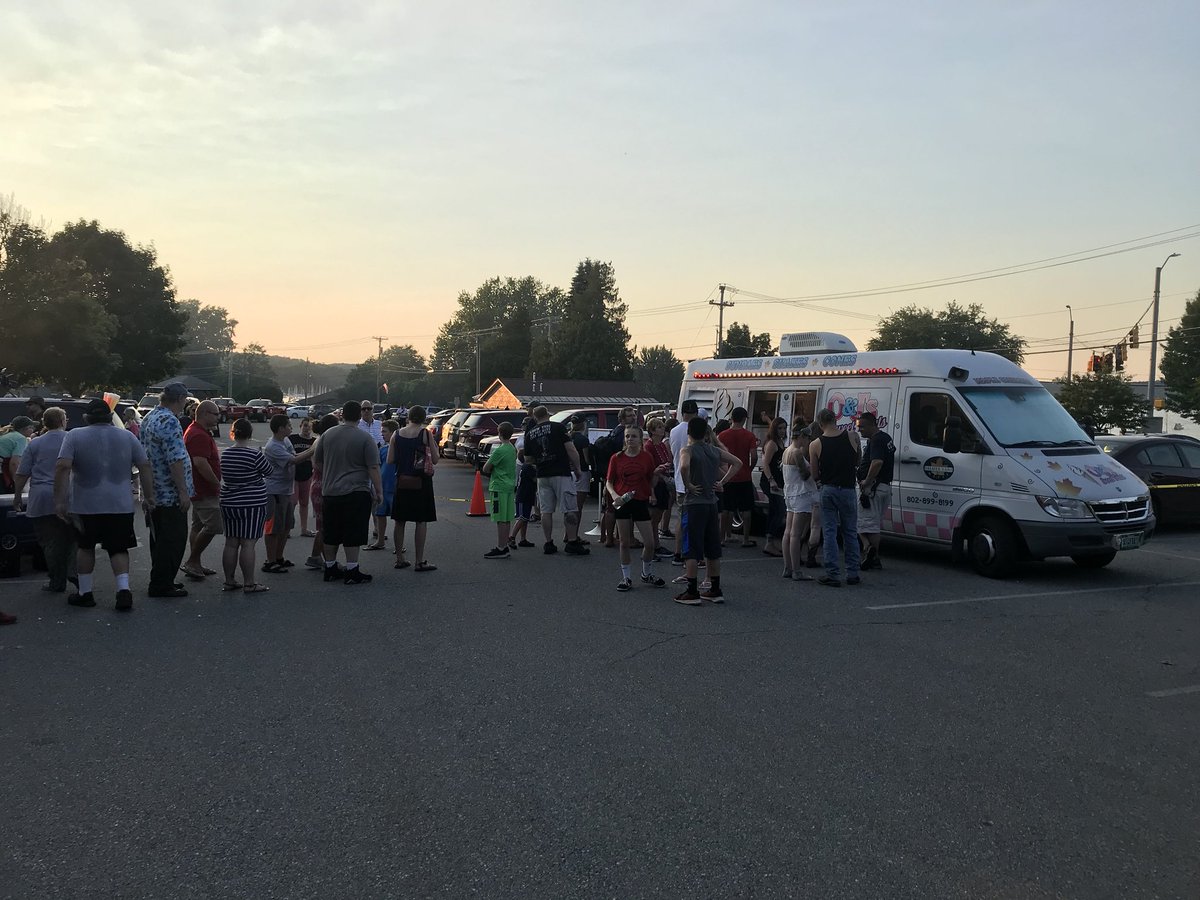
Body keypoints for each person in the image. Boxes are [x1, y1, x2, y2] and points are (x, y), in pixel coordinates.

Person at [54, 397, 154, 611]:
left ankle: (85, 592)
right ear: (110, 416)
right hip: (119, 502)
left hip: (85, 503)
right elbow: (144, 466)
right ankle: (123, 590)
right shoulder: (127, 436)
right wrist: (147, 497)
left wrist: (60, 501)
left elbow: (63, 467)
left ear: (85, 417)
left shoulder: (75, 436)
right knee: (118, 548)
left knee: (86, 546)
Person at [675, 416, 742, 605]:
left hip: (694, 504)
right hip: (711, 503)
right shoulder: (713, 450)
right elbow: (737, 463)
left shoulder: (687, 449)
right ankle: (715, 589)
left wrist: (688, 483)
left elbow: (684, 465)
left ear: (689, 433)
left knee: (691, 549)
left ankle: (691, 591)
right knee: (712, 548)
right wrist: (722, 482)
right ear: (706, 433)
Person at [315, 402, 383, 584]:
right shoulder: (365, 438)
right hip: (356, 490)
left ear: (342, 415)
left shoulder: (327, 435)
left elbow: (317, 462)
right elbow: (373, 467)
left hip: (330, 491)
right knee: (353, 531)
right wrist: (379, 491)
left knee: (331, 531)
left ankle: (330, 567)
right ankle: (352, 569)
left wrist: (331, 472)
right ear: (359, 416)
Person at [13, 407, 77, 593]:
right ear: (63, 421)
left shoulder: (34, 443)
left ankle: (56, 580)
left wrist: (17, 496)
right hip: (69, 494)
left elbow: (22, 472)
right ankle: (72, 570)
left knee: (49, 541)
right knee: (72, 537)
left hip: (41, 496)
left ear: (44, 422)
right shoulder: (72, 440)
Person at [140, 381, 193, 598]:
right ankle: (162, 584)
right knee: (173, 539)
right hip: (169, 492)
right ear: (180, 400)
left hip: (154, 489)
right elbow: (175, 459)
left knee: (159, 539)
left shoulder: (149, 417)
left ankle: (162, 578)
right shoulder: (170, 421)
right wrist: (183, 491)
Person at [605, 424, 667, 591]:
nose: (630, 439)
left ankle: (646, 573)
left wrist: (655, 477)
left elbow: (650, 480)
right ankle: (626, 578)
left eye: (633, 436)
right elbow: (609, 482)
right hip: (623, 501)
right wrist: (615, 496)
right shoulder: (616, 458)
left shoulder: (646, 457)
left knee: (650, 542)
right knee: (624, 542)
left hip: (640, 500)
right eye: (627, 436)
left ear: (641, 439)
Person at [218, 418, 274, 593]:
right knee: (248, 543)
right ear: (250, 434)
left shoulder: (225, 454)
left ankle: (229, 581)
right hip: (252, 503)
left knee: (231, 543)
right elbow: (269, 471)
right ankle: (249, 583)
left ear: (232, 433)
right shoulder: (254, 455)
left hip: (229, 502)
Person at [523, 405, 587, 555]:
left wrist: (540, 460)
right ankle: (572, 542)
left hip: (542, 475)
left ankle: (548, 542)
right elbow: (571, 449)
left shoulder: (529, 434)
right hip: (561, 473)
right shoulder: (558, 428)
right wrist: (577, 469)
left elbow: (528, 459)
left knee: (546, 511)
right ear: (548, 414)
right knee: (570, 508)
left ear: (534, 417)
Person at [810, 408, 862, 587]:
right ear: (835, 419)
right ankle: (853, 572)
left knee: (830, 532)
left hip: (828, 488)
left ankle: (833, 573)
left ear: (820, 423)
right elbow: (858, 461)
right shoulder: (852, 436)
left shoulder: (816, 444)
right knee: (850, 532)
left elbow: (815, 473)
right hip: (848, 489)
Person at [262, 414, 317, 574]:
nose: (291, 428)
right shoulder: (273, 446)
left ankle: (279, 557)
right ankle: (270, 561)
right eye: (288, 426)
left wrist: (310, 450)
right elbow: (293, 460)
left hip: (286, 489)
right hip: (274, 491)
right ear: (280, 428)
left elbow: (295, 456)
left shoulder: (285, 441)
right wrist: (314, 448)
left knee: (286, 526)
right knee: (273, 528)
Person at [389, 405, 438, 571]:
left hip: (402, 480)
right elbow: (436, 459)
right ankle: (419, 561)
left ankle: (399, 558)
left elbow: (390, 459)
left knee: (399, 521)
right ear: (424, 418)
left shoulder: (396, 434)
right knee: (421, 520)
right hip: (421, 482)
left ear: (408, 417)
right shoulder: (425, 434)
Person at [181, 400, 223, 581]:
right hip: (204, 489)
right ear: (205, 413)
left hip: (199, 488)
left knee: (198, 525)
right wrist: (216, 483)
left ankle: (196, 563)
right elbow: (200, 462)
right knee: (214, 525)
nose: (218, 417)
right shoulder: (198, 434)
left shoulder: (198, 431)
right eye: (215, 414)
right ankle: (192, 561)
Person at [856, 411, 895, 571]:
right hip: (883, 487)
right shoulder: (885, 438)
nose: (860, 430)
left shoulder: (877, 440)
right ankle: (873, 556)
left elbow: (877, 462)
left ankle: (869, 551)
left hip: (873, 488)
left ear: (873, 424)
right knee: (872, 523)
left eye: (863, 427)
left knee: (866, 524)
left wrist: (867, 481)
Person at [717, 407, 758, 548]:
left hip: (728, 476)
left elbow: (718, 456)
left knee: (726, 509)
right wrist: (749, 468)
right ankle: (746, 539)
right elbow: (754, 456)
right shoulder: (749, 436)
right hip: (744, 476)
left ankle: (722, 538)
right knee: (746, 509)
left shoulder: (722, 435)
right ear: (744, 418)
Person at [304, 414, 340, 569]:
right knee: (326, 526)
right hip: (322, 485)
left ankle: (315, 556)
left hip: (319, 483)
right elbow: (319, 465)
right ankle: (328, 561)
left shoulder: (320, 440)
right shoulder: (323, 442)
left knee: (323, 525)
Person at [780, 422, 815, 582]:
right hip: (801, 494)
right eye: (807, 437)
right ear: (801, 436)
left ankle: (787, 567)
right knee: (796, 534)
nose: (808, 441)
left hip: (789, 493)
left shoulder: (786, 450)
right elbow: (805, 475)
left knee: (788, 532)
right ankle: (796, 570)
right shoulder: (797, 453)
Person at [668, 400, 699, 564]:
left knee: (681, 518)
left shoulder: (673, 431)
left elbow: (671, 452)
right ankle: (691, 553)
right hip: (694, 481)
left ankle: (678, 552)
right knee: (695, 521)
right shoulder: (695, 430)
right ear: (695, 413)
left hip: (679, 480)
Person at [482, 421, 518, 559]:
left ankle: (501, 547)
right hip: (509, 486)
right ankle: (504, 544)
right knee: (507, 518)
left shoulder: (499, 450)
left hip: (498, 486)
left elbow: (486, 468)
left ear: (500, 433)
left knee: (500, 519)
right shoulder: (511, 448)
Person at [643, 417, 674, 559]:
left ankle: (656, 545)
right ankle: (651, 546)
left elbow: (667, 460)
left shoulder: (661, 445)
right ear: (652, 431)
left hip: (663, 481)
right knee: (652, 517)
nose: (662, 430)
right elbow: (649, 468)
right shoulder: (648, 446)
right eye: (659, 427)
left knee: (659, 515)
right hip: (654, 483)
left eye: (662, 427)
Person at [366, 418, 399, 552]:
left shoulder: (399, 449)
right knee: (380, 514)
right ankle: (380, 540)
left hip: (395, 487)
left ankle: (398, 544)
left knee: (398, 518)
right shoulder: (383, 449)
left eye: (385, 432)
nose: (382, 434)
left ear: (393, 433)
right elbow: (377, 467)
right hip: (382, 487)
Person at [760, 416, 788, 558]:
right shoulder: (771, 444)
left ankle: (770, 541)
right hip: (769, 481)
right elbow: (765, 464)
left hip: (778, 481)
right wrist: (771, 480)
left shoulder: (781, 443)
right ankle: (769, 542)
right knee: (780, 510)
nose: (782, 431)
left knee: (775, 510)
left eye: (784, 428)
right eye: (780, 428)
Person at [290, 417, 317, 537]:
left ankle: (304, 529)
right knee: (293, 502)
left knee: (305, 503)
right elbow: (290, 455)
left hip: (307, 475)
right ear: (301, 426)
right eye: (305, 425)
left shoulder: (314, 441)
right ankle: (287, 528)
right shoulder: (292, 438)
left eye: (309, 426)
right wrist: (305, 456)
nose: (307, 428)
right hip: (293, 475)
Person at [568, 416, 592, 541]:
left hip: (568, 472)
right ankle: (574, 535)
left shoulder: (568, 437)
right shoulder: (583, 440)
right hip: (581, 472)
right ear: (583, 424)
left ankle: (567, 534)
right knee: (578, 507)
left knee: (570, 506)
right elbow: (586, 459)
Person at [1, 415, 37, 492]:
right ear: (25, 428)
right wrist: (18, 485)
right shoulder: (20, 438)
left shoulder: (6, 435)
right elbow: (14, 463)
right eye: (32, 427)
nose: (33, 430)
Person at [512, 456, 537, 549]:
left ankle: (523, 539)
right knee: (522, 518)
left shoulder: (525, 467)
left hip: (526, 496)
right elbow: (535, 479)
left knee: (525, 519)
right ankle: (512, 537)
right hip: (523, 496)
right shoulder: (528, 467)